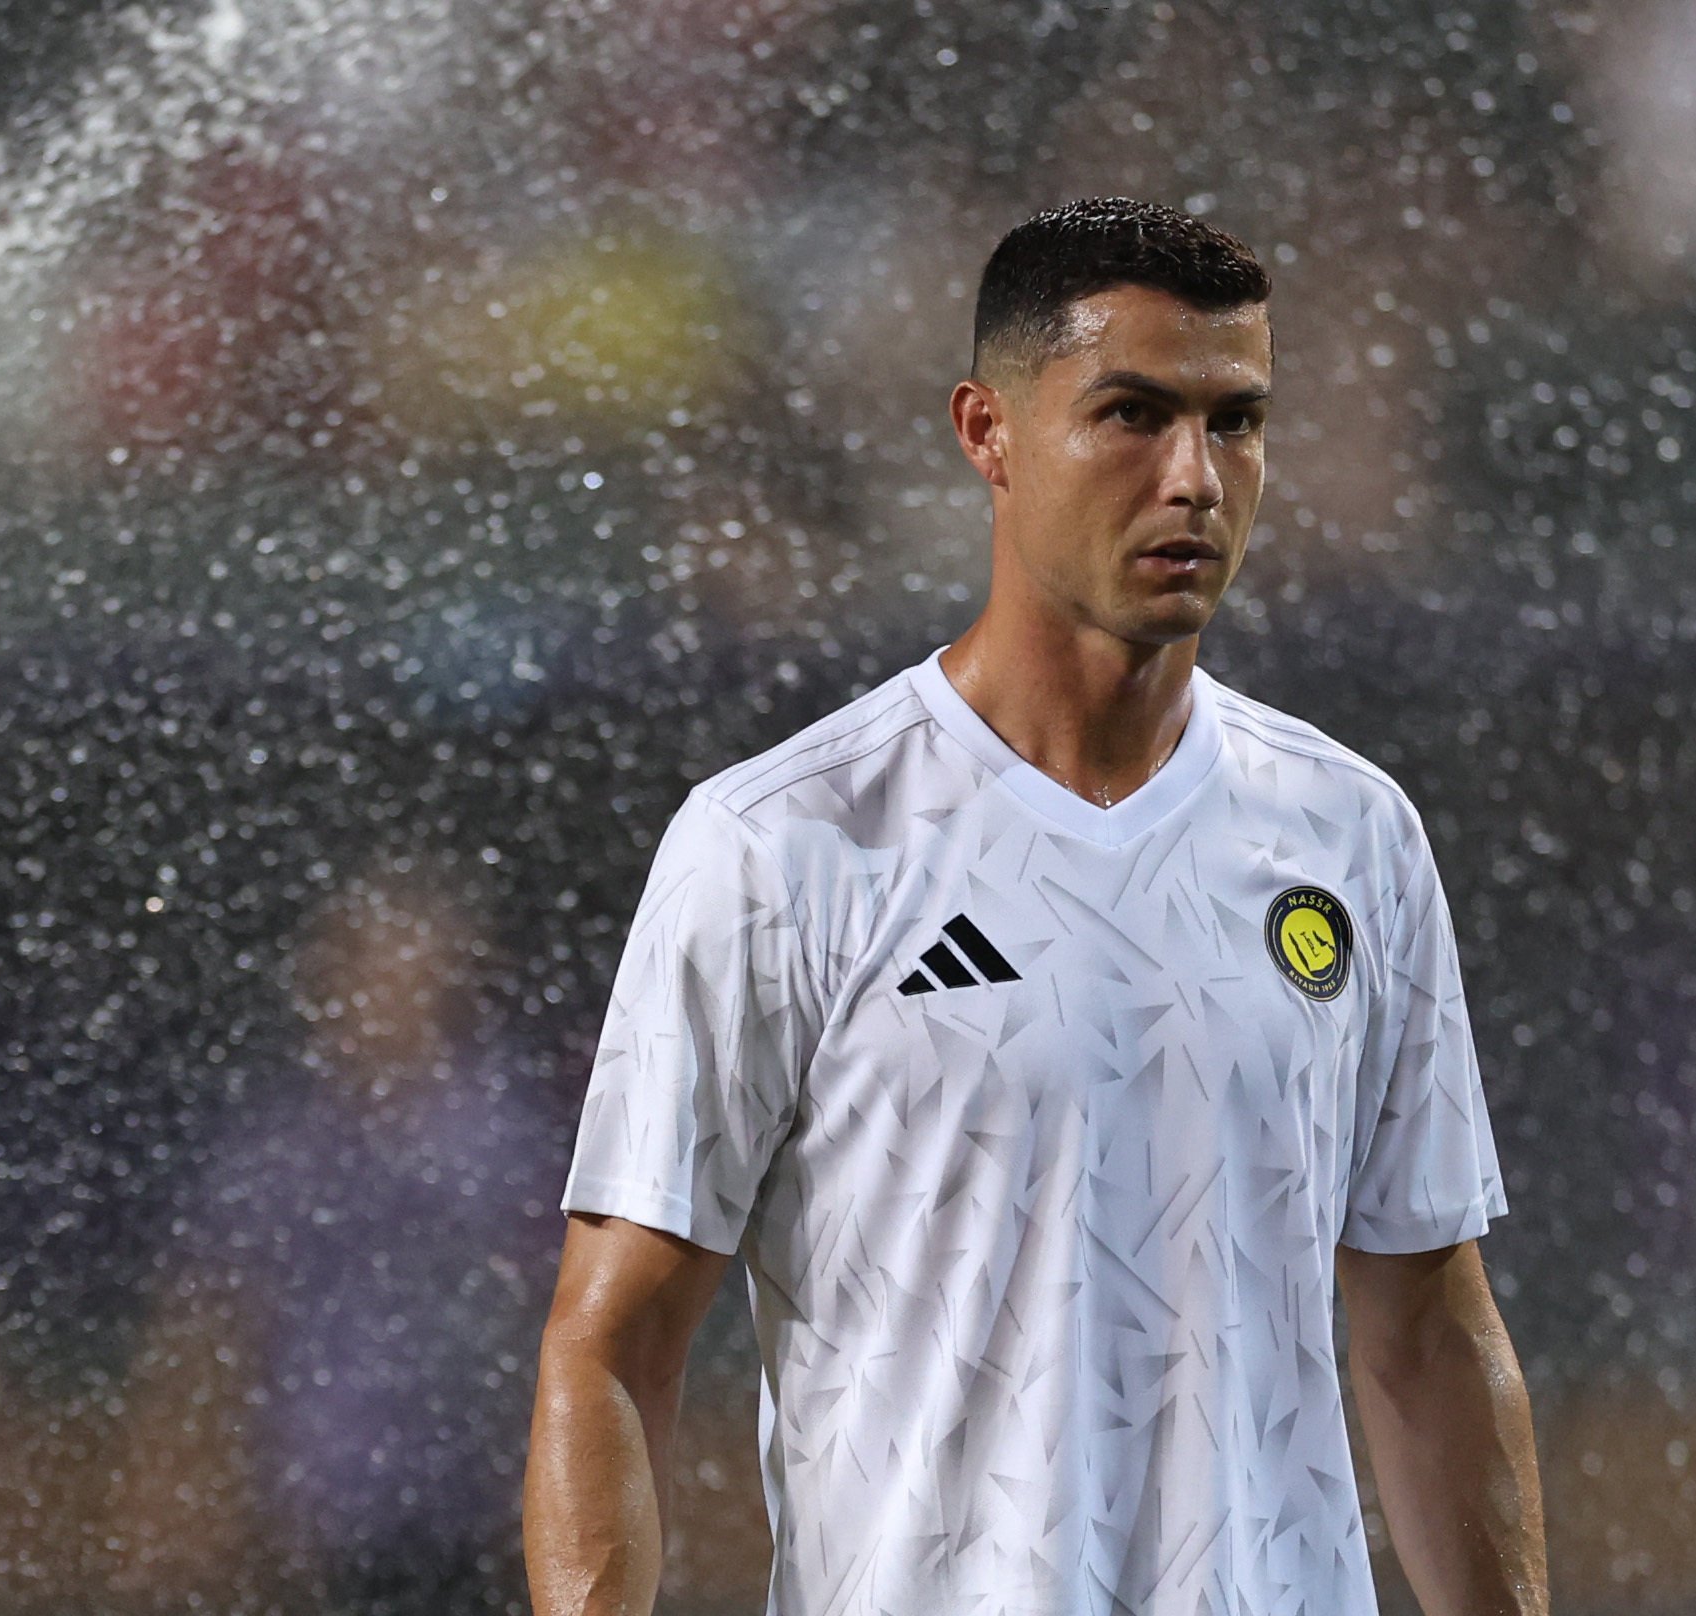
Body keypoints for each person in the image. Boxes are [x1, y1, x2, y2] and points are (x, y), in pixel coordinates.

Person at [524, 197, 1548, 1616]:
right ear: (984, 432)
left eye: (1236, 421)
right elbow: (611, 1353)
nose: (1195, 475)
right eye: (1132, 412)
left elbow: (1430, 1338)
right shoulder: (780, 844)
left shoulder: (1352, 833)